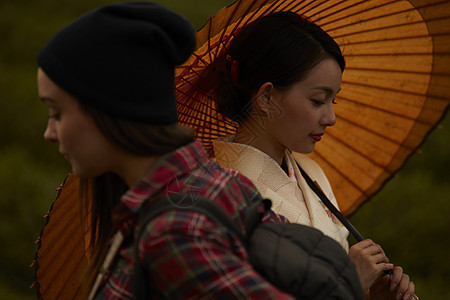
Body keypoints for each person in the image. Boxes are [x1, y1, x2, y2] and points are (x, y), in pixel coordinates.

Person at [36, 2, 298, 299]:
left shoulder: (172, 233)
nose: (49, 133)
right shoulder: (221, 185)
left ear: (107, 112)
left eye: (56, 113)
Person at [212, 11, 417, 300]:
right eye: (318, 100)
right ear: (266, 97)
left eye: (334, 100)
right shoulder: (219, 192)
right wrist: (349, 284)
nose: (331, 117)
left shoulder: (312, 174)